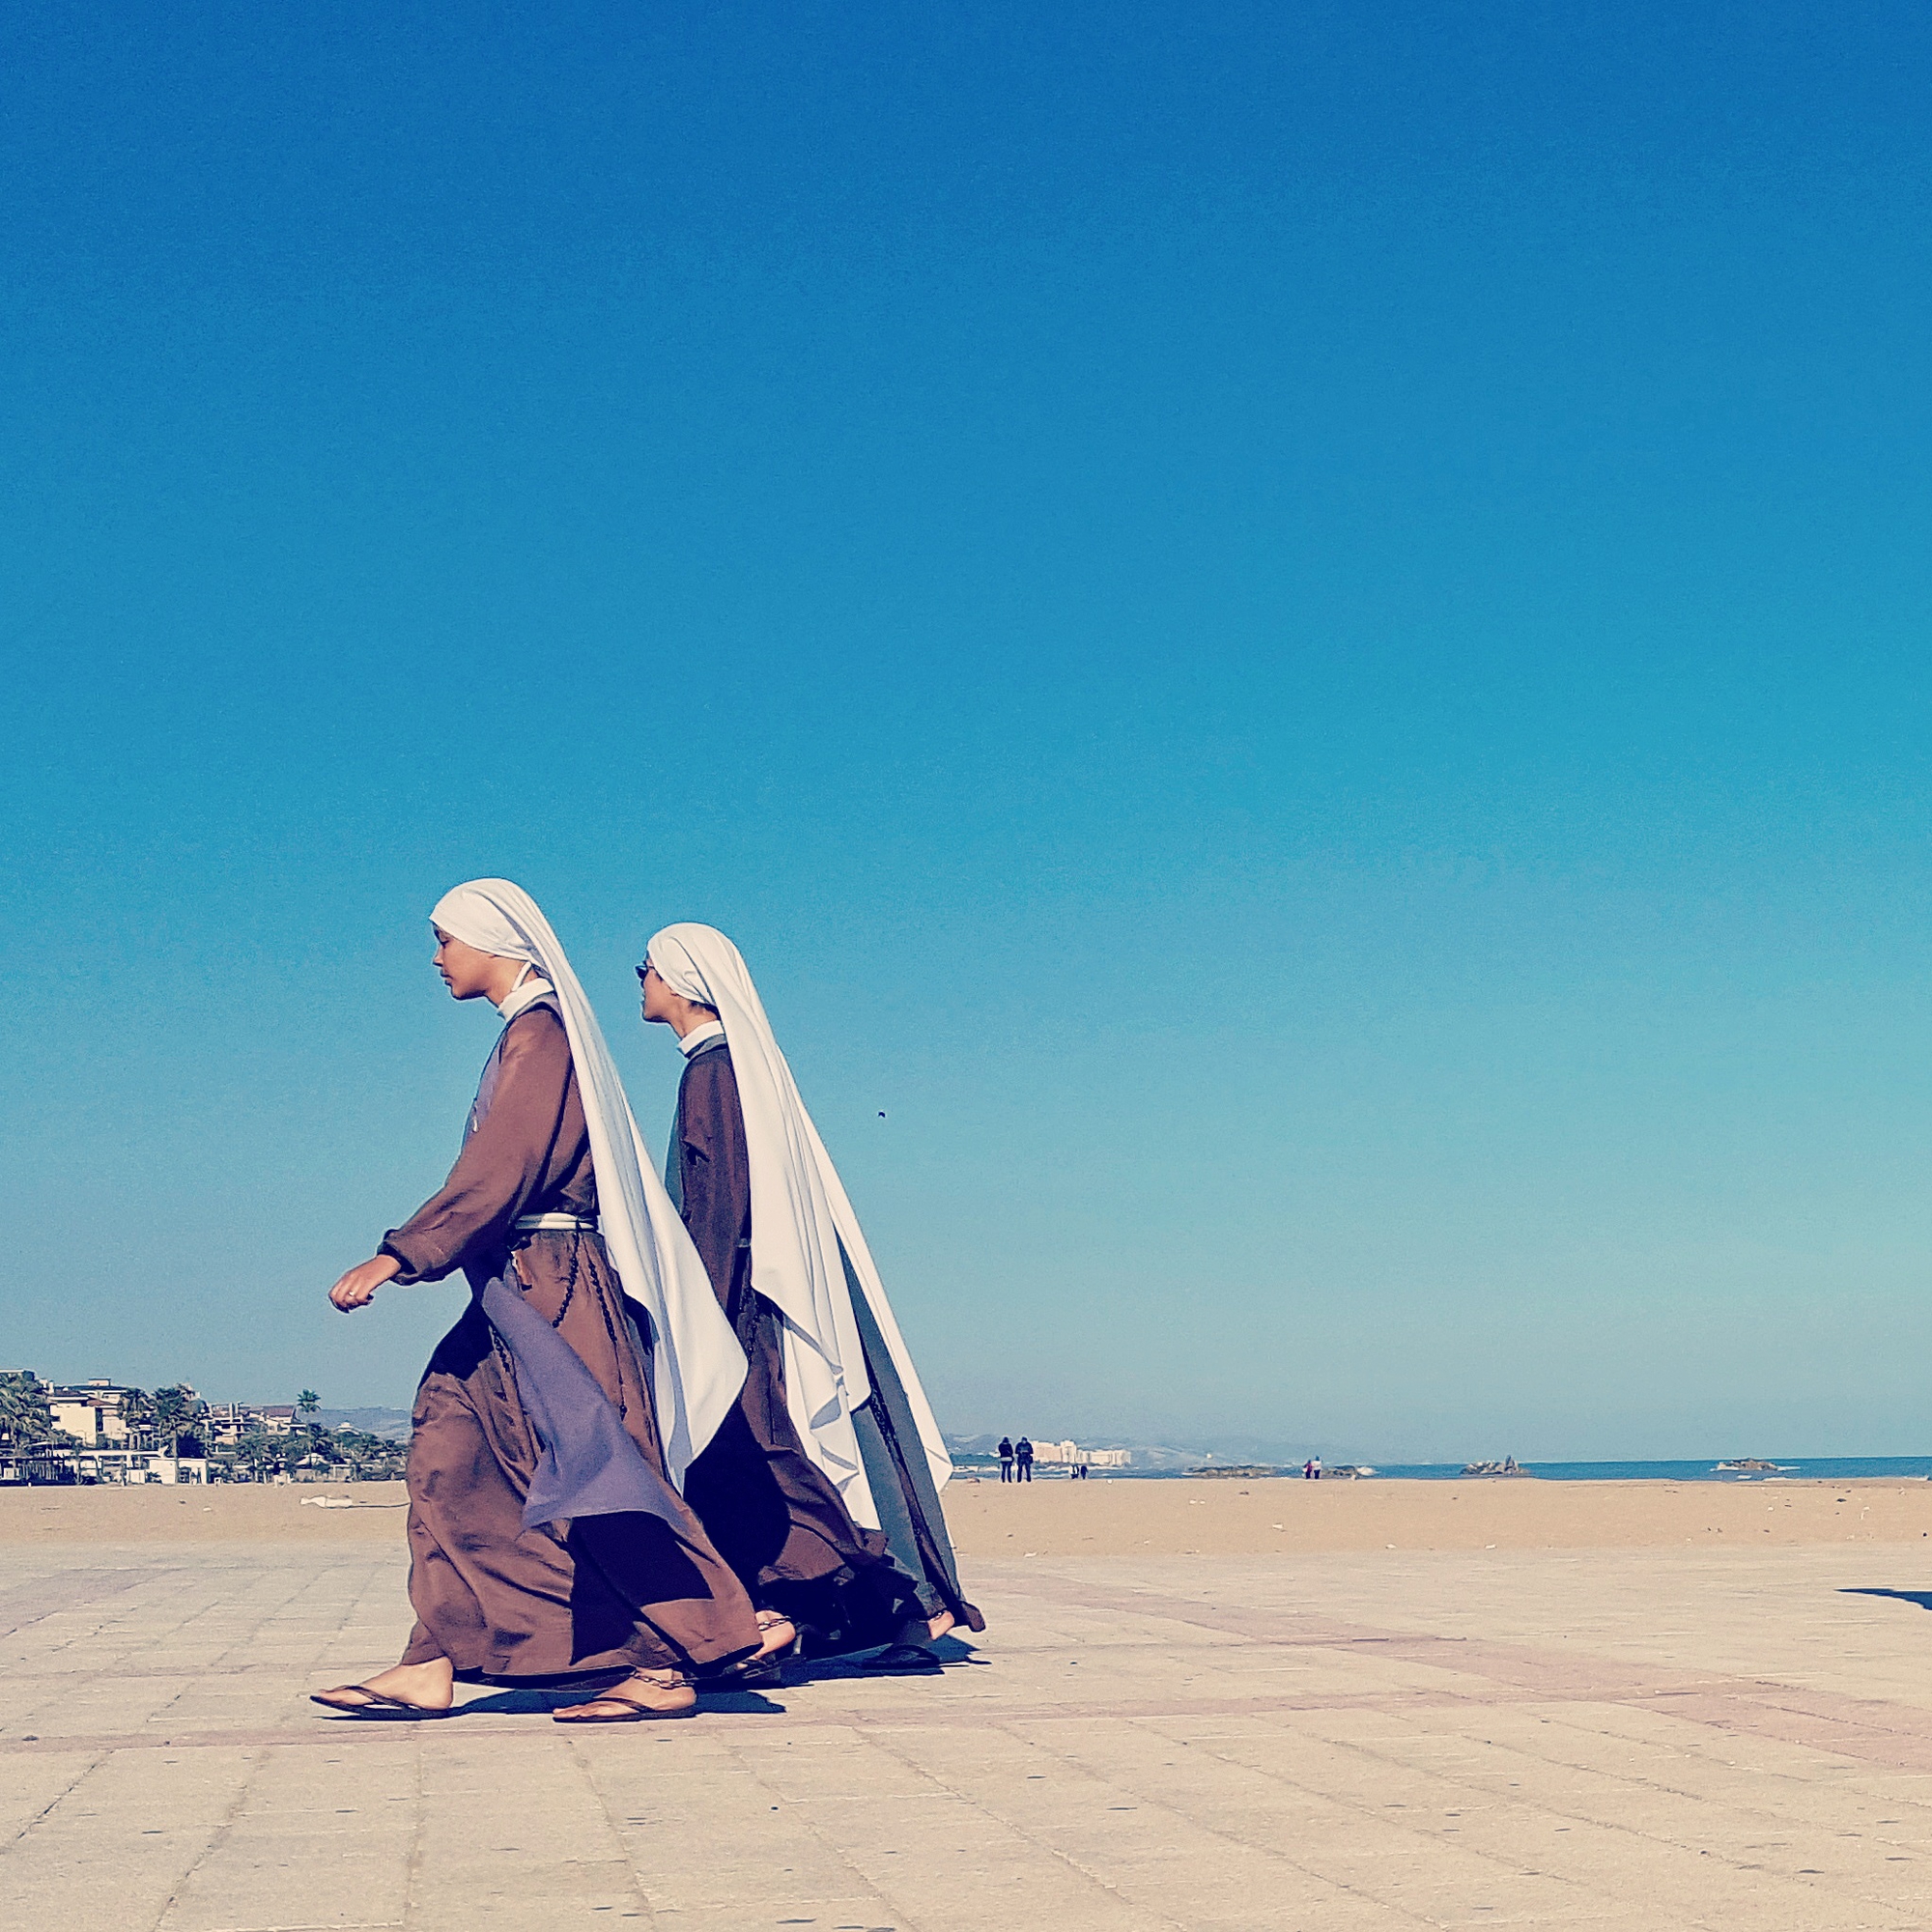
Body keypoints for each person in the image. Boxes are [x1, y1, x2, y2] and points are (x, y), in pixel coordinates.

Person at [310, 881, 769, 1725]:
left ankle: (681, 1653)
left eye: (444, 939)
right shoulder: (526, 1034)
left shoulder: (542, 1035)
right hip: (509, 1281)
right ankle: (433, 1655)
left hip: (550, 1283)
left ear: (492, 943)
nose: (437, 956)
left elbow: (504, 1164)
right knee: (452, 1456)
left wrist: (400, 1254)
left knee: (597, 1469)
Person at [640, 924, 983, 1671]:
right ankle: (904, 1613)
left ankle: (797, 1616)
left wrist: (697, 1316)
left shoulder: (714, 1074)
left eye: (646, 970)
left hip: (746, 1307)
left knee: (776, 1465)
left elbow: (720, 1203)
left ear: (679, 982)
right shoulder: (742, 1071)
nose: (640, 984)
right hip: (772, 1295)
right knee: (844, 1452)